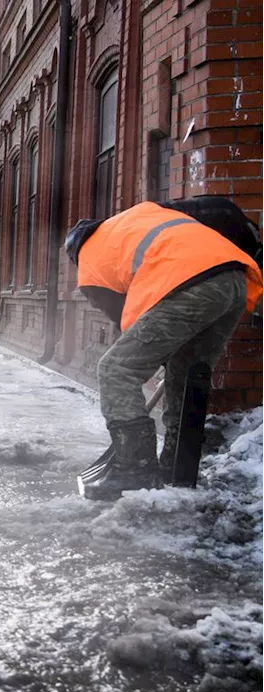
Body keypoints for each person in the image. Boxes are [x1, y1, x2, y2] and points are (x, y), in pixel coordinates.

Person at [67, 197, 264, 500]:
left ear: (76, 253)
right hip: (234, 281)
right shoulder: (140, 217)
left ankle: (135, 469)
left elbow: (127, 325)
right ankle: (178, 467)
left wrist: (154, 357)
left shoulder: (90, 263)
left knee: (116, 369)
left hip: (190, 285)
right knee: (186, 377)